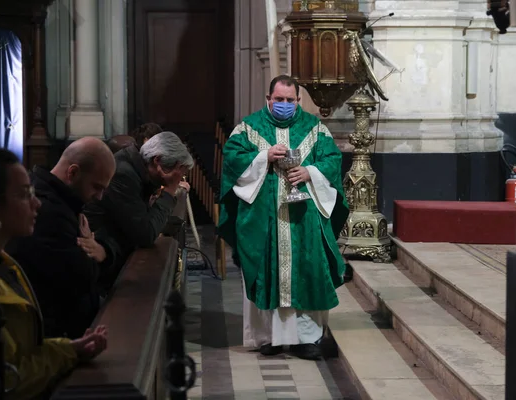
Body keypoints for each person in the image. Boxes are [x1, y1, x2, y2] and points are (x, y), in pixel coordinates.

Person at [218, 75, 349, 360]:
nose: (285, 105)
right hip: (263, 217)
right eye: (279, 100)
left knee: (307, 269)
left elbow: (332, 160)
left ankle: (307, 338)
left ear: (298, 101)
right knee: (266, 269)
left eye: (291, 100)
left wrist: (309, 172)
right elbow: (232, 159)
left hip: (303, 217)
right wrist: (264, 156)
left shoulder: (314, 128)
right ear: (268, 99)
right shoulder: (249, 128)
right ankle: (269, 337)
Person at [0, 148, 108, 399]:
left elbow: (26, 350)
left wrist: (70, 350)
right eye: (24, 195)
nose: (37, 203)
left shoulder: (6, 265)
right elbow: (6, 380)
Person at [6, 137, 116, 339]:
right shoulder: (48, 211)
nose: (99, 197)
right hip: (58, 335)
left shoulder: (64, 203)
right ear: (73, 173)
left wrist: (98, 249)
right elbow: (81, 277)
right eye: (97, 187)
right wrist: (94, 252)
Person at [84, 131, 193, 289]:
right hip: (103, 269)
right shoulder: (123, 174)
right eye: (176, 175)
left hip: (114, 254)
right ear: (157, 161)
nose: (178, 180)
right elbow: (145, 234)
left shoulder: (135, 166)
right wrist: (169, 189)